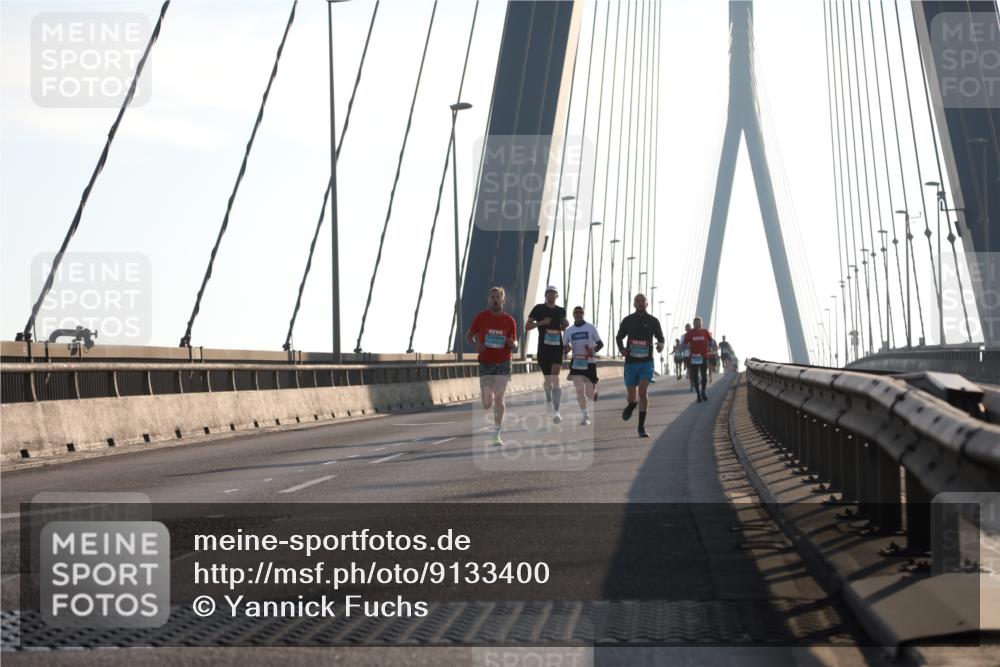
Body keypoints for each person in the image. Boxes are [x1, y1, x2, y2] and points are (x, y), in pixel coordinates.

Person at [466, 286, 518, 446]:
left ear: (503, 300)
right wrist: (476, 346)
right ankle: (490, 402)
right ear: (489, 300)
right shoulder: (481, 318)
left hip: (503, 362)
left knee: (500, 398)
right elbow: (469, 336)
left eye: (498, 297)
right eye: (492, 297)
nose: (495, 300)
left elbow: (515, 341)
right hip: (486, 362)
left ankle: (496, 433)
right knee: (487, 403)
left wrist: (513, 343)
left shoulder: (509, 320)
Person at [615, 293, 664, 438]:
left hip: (646, 362)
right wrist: (621, 349)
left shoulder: (653, 321)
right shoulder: (628, 320)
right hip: (631, 362)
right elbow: (619, 337)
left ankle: (641, 428)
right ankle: (632, 404)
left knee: (642, 392)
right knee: (632, 397)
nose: (641, 303)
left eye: (643, 301)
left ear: (647, 303)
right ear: (634, 304)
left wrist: (660, 344)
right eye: (638, 301)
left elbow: (660, 337)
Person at [526, 285, 569, 424]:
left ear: (557, 296)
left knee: (555, 377)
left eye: (553, 293)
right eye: (549, 292)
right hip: (543, 349)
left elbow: (562, 328)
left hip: (557, 348)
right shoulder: (538, 308)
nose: (551, 295)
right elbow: (527, 326)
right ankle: (548, 397)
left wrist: (565, 325)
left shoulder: (561, 311)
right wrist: (541, 322)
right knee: (548, 380)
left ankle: (556, 411)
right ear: (545, 295)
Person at [563, 306, 603, 425]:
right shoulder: (569, 331)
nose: (578, 314)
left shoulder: (590, 327)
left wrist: (593, 350)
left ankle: (594, 392)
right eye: (576, 312)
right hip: (576, 363)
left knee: (589, 394)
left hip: (589, 362)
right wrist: (566, 349)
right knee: (579, 390)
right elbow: (564, 347)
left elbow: (600, 344)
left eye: (580, 312)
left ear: (583, 314)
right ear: (573, 315)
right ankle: (585, 415)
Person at [681, 316, 715, 403]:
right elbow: (683, 344)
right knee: (695, 377)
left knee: (704, 377)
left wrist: (711, 346)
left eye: (699, 323)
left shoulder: (705, 332)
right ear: (693, 324)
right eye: (695, 323)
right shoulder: (690, 333)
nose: (697, 324)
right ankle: (698, 394)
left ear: (701, 323)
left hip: (703, 356)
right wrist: (685, 347)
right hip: (694, 357)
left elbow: (711, 341)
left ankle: (703, 392)